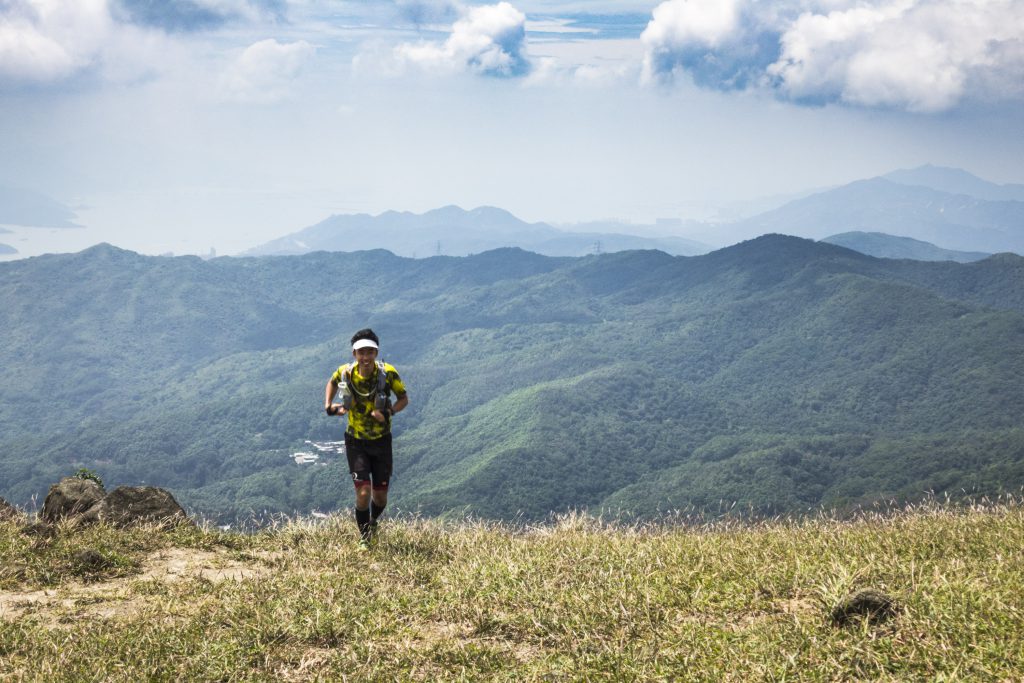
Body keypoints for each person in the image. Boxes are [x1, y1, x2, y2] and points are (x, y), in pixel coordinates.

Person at [325, 328, 408, 549]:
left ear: (376, 353)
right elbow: (332, 382)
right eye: (361, 352)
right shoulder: (346, 373)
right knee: (363, 493)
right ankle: (364, 538)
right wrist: (328, 405)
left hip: (381, 441)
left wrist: (389, 413)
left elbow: (403, 399)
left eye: (370, 352)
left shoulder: (388, 374)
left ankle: (372, 523)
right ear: (354, 354)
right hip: (356, 442)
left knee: (380, 498)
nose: (365, 357)